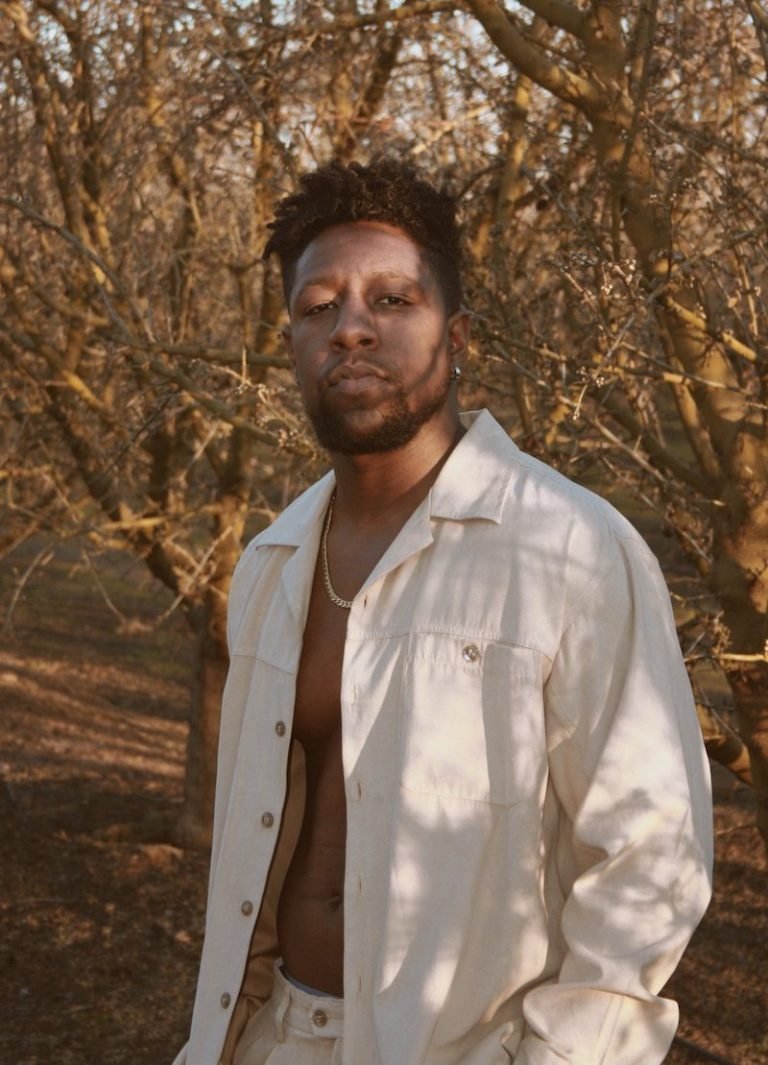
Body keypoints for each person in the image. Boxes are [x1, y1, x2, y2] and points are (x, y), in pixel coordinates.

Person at [173, 158, 713, 1065]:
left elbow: (650, 856)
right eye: (319, 307)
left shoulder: (571, 546)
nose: (351, 328)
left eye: (391, 300)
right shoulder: (270, 564)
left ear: (455, 337)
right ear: (292, 344)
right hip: (269, 1031)